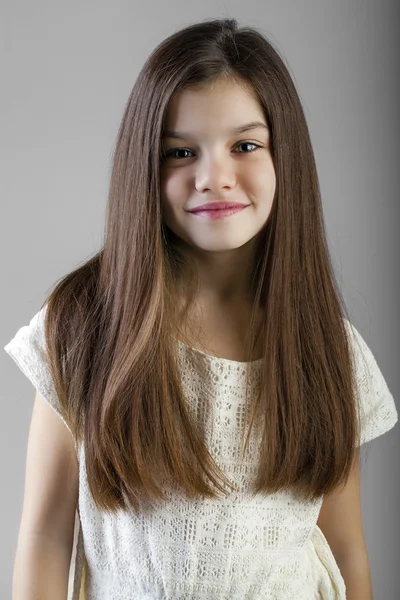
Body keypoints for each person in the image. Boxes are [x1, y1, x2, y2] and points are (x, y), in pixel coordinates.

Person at [4, 17, 398, 600]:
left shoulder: (326, 347)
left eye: (245, 145)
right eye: (181, 152)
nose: (214, 177)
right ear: (144, 166)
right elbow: (44, 537)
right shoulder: (85, 325)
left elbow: (345, 551)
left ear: (284, 156)